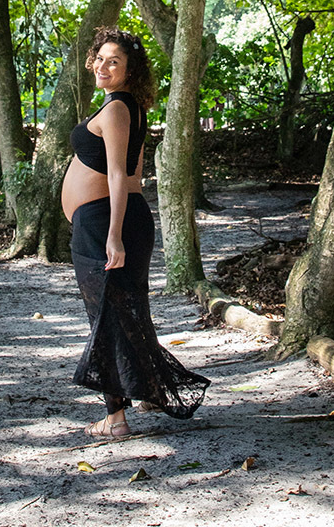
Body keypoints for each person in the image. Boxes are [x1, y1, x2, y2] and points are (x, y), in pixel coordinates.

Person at [61, 25, 210, 438]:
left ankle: (115, 419)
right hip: (119, 217)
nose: (105, 66)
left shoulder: (116, 109)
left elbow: (118, 174)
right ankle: (149, 390)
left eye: (116, 62)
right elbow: (136, 171)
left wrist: (113, 234)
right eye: (101, 58)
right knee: (125, 312)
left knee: (104, 316)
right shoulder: (128, 107)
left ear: (129, 70)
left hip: (108, 221)